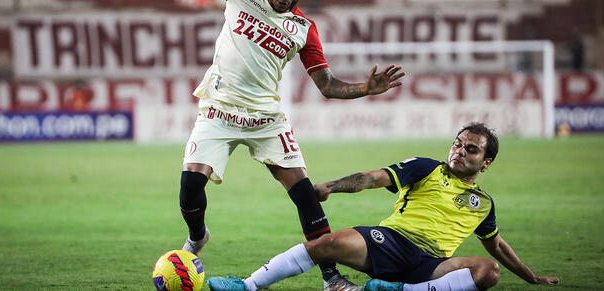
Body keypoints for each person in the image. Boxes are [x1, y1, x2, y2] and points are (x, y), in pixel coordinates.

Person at [114, 0, 406, 290]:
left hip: (267, 120)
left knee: (305, 195)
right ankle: (198, 236)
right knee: (189, 189)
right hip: (218, 111)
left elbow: (327, 86)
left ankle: (332, 277)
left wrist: (365, 88)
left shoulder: (303, 29)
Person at [207, 122, 560, 291]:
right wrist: (332, 186)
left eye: (471, 149)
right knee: (325, 244)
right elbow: (375, 178)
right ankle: (248, 286)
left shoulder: (483, 204)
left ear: (486, 162)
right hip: (389, 243)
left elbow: (496, 246)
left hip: (434, 265)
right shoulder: (427, 167)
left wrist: (531, 276)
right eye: (457, 144)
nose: (459, 151)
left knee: (487, 272)